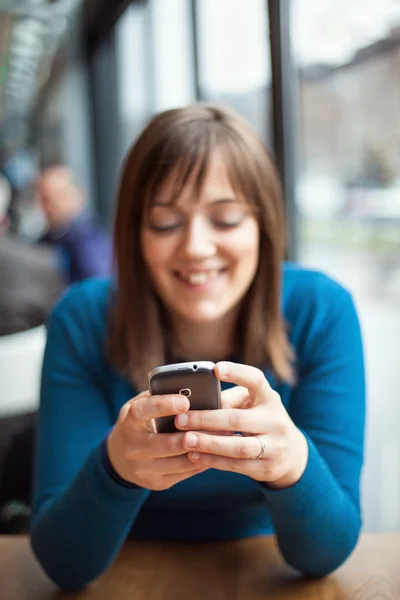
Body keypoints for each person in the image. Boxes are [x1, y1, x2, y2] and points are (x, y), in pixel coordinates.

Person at [30, 104, 365, 591]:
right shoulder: (82, 319)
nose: (195, 247)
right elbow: (63, 564)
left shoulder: (321, 309)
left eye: (226, 219)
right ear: (134, 234)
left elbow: (327, 554)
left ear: (264, 227)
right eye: (166, 223)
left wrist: (294, 465)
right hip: (124, 567)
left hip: (265, 565)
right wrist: (116, 468)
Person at [37, 165, 112, 283]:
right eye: (46, 198)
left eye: (60, 195)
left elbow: (101, 286)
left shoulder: (91, 239)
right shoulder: (46, 240)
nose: (53, 204)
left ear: (80, 194)